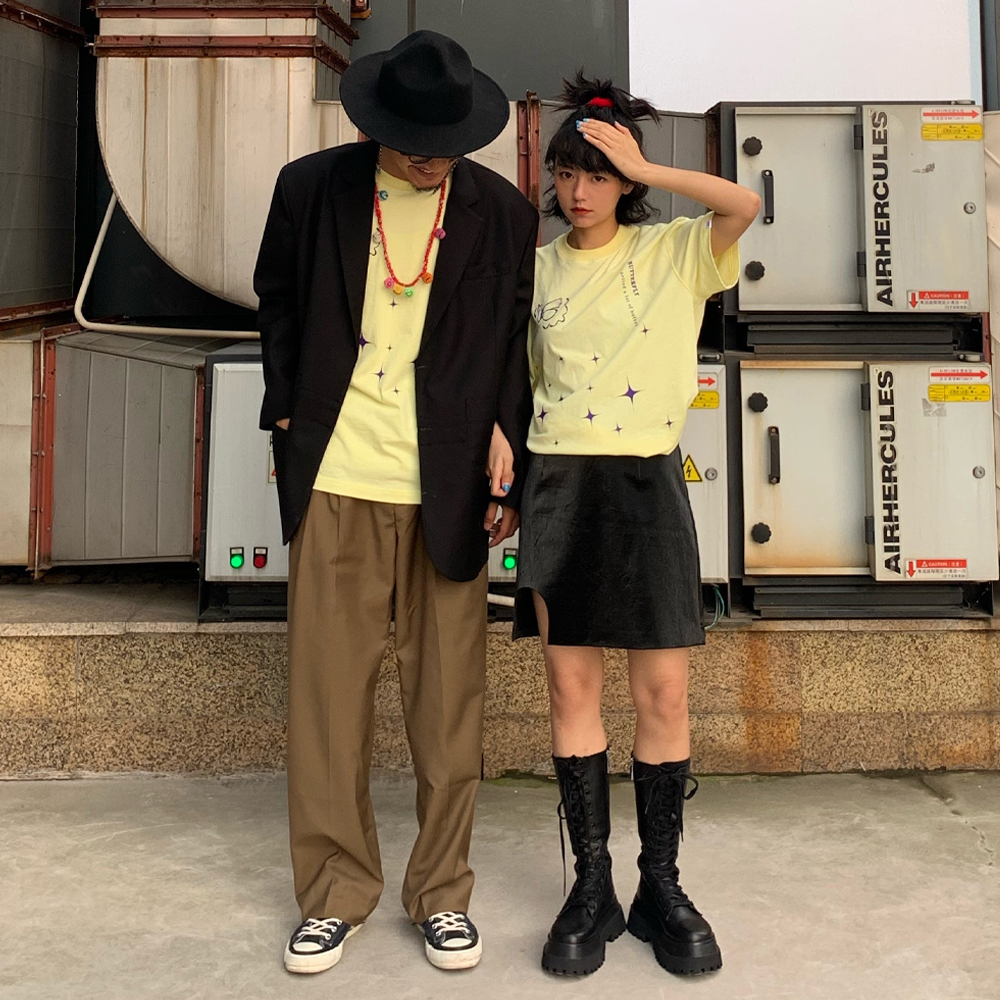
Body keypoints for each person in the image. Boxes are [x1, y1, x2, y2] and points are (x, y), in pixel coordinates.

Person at [253, 30, 537, 975]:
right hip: (338, 474)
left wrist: (509, 436)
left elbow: (514, 340)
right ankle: (334, 894)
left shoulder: (502, 212)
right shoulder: (312, 189)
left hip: (449, 483)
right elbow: (277, 303)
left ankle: (442, 893)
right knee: (327, 701)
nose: (431, 159)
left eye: (446, 145)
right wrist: (287, 411)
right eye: (416, 144)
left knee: (448, 706)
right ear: (378, 125)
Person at [512, 73, 760, 978]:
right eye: (568, 172)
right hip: (558, 487)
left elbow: (744, 203)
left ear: (626, 181)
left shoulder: (673, 252)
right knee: (570, 689)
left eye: (599, 174)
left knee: (663, 695)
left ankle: (662, 885)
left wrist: (649, 165)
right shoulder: (536, 269)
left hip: (648, 486)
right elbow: (518, 381)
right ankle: (593, 886)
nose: (579, 190)